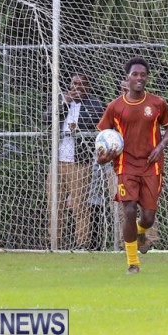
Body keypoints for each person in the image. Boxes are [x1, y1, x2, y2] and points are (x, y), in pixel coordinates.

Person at [97, 56, 168, 274]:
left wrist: (160, 147)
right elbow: (103, 137)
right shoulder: (115, 107)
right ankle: (133, 263)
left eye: (143, 75)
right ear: (127, 78)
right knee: (129, 211)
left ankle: (140, 232)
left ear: (147, 78)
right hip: (125, 165)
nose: (139, 78)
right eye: (135, 74)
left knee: (148, 218)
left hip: (151, 166)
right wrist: (102, 157)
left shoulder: (157, 103)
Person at [43, 74, 105, 249]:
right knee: (54, 206)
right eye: (74, 84)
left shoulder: (95, 104)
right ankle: (54, 243)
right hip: (57, 162)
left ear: (88, 86)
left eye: (81, 84)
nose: (76, 87)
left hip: (79, 163)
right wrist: (65, 101)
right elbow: (45, 118)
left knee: (79, 207)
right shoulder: (62, 101)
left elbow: (101, 123)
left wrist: (78, 127)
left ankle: (82, 244)